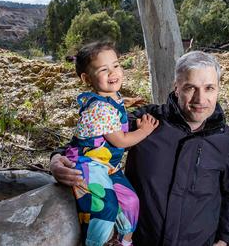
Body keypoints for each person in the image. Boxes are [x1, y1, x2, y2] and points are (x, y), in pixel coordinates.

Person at [51, 51, 229, 246]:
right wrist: (57, 159)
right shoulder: (147, 122)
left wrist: (225, 240)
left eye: (209, 88)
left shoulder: (224, 139)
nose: (200, 99)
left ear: (218, 89)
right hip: (142, 240)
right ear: (176, 88)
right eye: (190, 88)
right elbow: (90, 139)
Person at [66, 41, 160, 246]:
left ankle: (125, 241)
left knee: (131, 201)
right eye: (103, 69)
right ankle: (95, 242)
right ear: (86, 78)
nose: (113, 72)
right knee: (106, 207)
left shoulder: (111, 97)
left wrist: (128, 101)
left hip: (108, 167)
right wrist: (144, 130)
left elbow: (115, 106)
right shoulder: (100, 108)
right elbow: (121, 140)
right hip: (89, 165)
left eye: (116, 65)